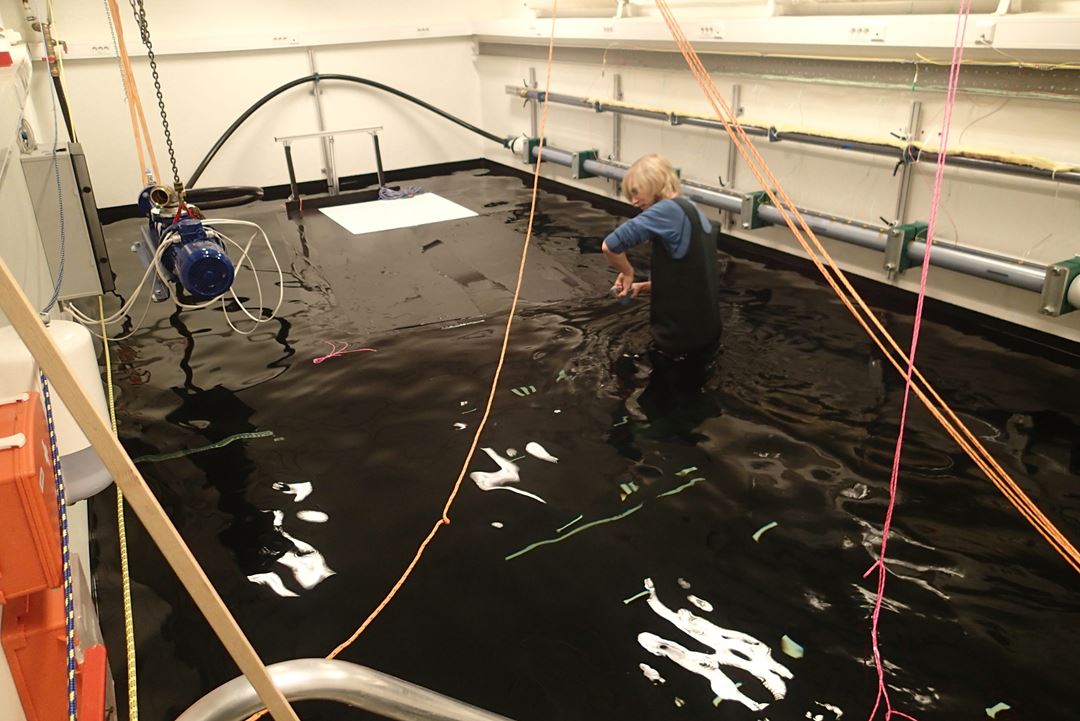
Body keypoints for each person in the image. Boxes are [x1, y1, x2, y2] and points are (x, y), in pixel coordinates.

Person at [601, 154, 722, 358]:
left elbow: (610, 246)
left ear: (654, 184)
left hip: (677, 340)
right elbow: (690, 276)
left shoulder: (665, 210)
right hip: (707, 333)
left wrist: (627, 272)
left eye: (637, 192)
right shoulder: (692, 210)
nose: (634, 201)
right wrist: (644, 286)